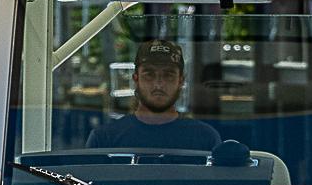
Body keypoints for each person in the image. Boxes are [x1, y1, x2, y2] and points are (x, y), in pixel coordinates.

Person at [88, 38, 219, 151]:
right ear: (136, 79)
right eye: (149, 75)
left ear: (181, 81)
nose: (158, 84)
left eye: (168, 75)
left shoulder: (205, 138)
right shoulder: (105, 139)